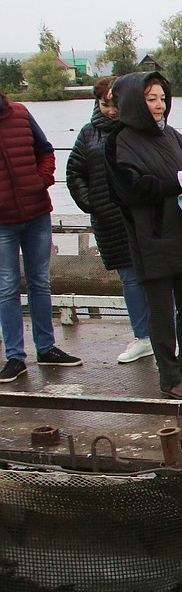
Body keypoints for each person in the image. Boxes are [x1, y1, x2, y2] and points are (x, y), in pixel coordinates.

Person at [105, 71, 182, 400]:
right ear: (134, 102)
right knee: (161, 312)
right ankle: (169, 378)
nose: (159, 105)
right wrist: (177, 183)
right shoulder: (119, 140)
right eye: (151, 99)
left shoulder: (172, 135)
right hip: (151, 238)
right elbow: (130, 189)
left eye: (161, 98)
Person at [66, 76, 153, 364]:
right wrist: (93, 204)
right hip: (110, 221)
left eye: (116, 104)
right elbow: (74, 172)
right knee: (129, 278)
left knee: (158, 273)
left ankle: (168, 333)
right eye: (105, 104)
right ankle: (142, 336)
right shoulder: (88, 134)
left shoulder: (138, 129)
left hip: (142, 216)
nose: (112, 111)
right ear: (97, 103)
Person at [0, 92, 83, 384]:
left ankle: (46, 349)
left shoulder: (21, 114)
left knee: (40, 282)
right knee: (7, 287)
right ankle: (15, 357)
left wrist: (41, 181)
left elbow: (46, 151)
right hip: (2, 223)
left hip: (36, 214)